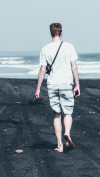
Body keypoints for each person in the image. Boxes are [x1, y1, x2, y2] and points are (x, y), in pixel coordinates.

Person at [34, 22, 81, 153]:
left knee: (56, 114)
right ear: (61, 33)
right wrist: (77, 84)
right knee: (68, 112)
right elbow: (74, 67)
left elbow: (42, 70)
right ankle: (67, 132)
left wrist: (38, 88)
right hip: (66, 83)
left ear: (50, 33)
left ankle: (59, 144)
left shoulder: (45, 49)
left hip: (52, 84)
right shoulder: (69, 47)